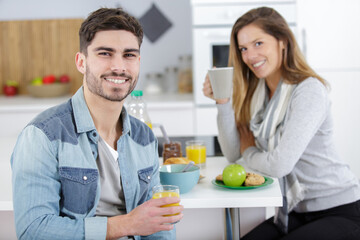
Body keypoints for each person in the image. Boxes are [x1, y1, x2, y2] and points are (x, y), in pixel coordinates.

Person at [11, 8, 183, 240]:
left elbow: (157, 226)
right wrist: (125, 225)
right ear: (81, 62)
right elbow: (33, 230)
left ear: (138, 62)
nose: (119, 67)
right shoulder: (43, 135)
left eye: (129, 55)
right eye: (105, 53)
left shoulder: (144, 137)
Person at [203, 7, 360, 240]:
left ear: (283, 41)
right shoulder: (258, 92)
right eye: (243, 49)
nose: (250, 56)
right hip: (293, 211)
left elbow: (278, 166)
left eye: (258, 43)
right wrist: (223, 102)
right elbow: (233, 153)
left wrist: (250, 149)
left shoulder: (308, 90)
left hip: (338, 210)